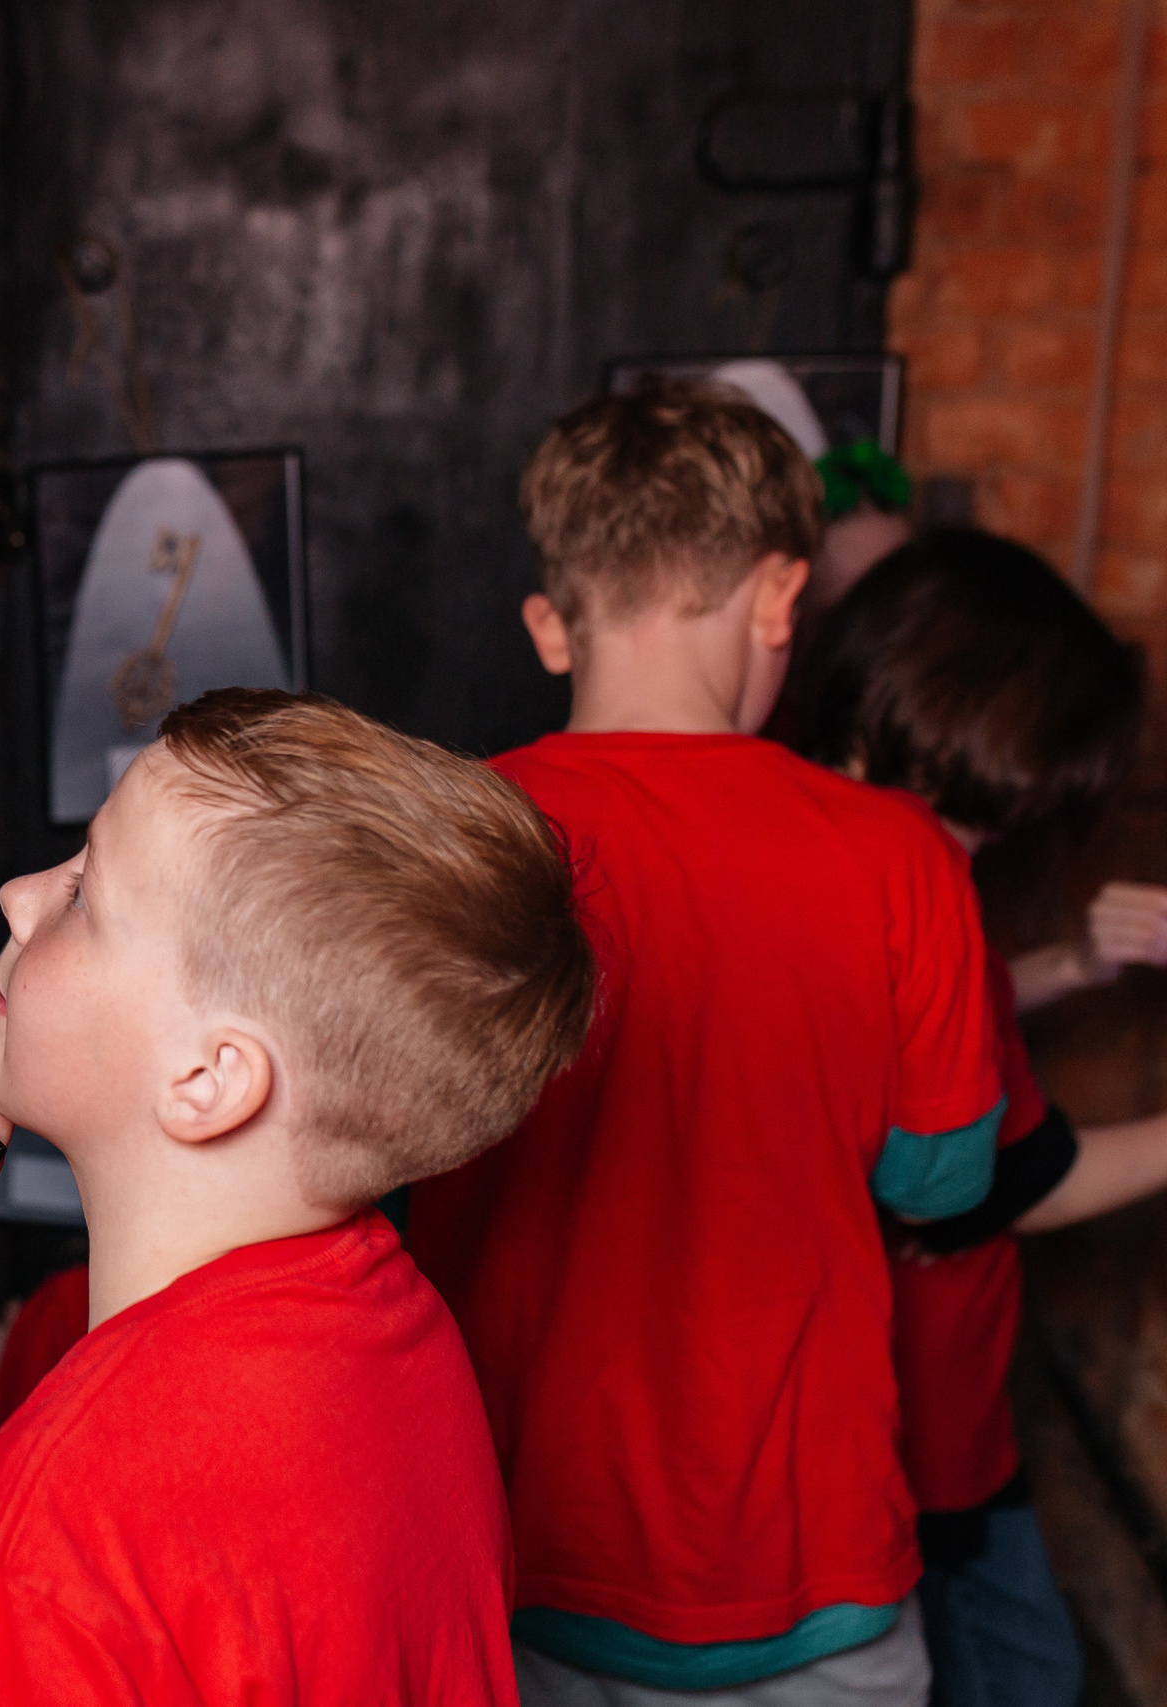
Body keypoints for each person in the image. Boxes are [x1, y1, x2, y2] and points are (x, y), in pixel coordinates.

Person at [402, 379, 1006, 1703]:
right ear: (781, 597)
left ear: (551, 625)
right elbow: (944, 1182)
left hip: (518, 1553)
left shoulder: (447, 840)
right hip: (811, 1559)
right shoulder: (900, 854)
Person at [0, 688, 597, 1704]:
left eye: (84, 894)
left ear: (207, 1081)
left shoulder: (59, 1534)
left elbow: (23, 1605)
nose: (17, 894)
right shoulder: (404, 1341)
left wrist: (12, 1554)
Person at [796, 527, 1166, 1706]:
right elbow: (1020, 1180)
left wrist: (1067, 963)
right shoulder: (925, 881)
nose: (1013, 825)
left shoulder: (819, 839)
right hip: (918, 1435)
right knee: (1022, 1673)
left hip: (911, 1415)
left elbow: (924, 1020)